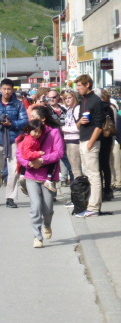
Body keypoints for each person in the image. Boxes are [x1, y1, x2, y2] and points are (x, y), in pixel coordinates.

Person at [17, 105, 65, 247]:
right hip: (32, 175)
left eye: (34, 116)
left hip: (48, 177)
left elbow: (59, 153)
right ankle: (37, 237)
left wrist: (42, 160)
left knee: (48, 208)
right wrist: (29, 164)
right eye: (30, 117)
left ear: (43, 119)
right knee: (36, 206)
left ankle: (47, 225)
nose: (31, 119)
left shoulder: (54, 133)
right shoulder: (28, 133)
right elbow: (20, 153)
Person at [0, 78, 29, 208]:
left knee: (14, 171)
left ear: (12, 90)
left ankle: (10, 198)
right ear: (0, 89)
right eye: (4, 89)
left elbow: (24, 121)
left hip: (13, 141)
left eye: (9, 89)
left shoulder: (19, 104)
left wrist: (12, 124)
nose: (7, 91)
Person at [75, 74, 104, 217]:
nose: (78, 88)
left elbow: (100, 125)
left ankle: (94, 207)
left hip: (90, 142)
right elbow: (78, 123)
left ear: (87, 85)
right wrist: (81, 122)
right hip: (83, 139)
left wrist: (90, 144)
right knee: (88, 173)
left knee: (94, 174)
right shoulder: (83, 100)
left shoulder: (96, 101)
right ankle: (90, 204)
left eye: (80, 85)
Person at [17, 120, 56, 192]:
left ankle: (23, 178)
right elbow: (26, 154)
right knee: (51, 162)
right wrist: (38, 154)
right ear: (29, 130)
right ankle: (48, 180)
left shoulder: (33, 139)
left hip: (31, 158)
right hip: (30, 158)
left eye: (39, 132)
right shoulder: (30, 140)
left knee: (51, 161)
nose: (37, 134)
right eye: (35, 131)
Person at [46, 89, 73, 186]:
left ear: (58, 98)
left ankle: (74, 190)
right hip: (51, 141)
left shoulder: (64, 110)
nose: (52, 99)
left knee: (70, 164)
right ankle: (51, 193)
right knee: (51, 166)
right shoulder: (46, 110)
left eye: (54, 97)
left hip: (64, 140)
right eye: (50, 97)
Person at [96, 88, 115, 202]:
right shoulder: (109, 107)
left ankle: (100, 191)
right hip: (107, 138)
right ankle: (107, 190)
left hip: (97, 138)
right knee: (105, 165)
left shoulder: (96, 108)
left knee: (97, 166)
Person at [61, 90, 82, 186]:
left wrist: (64, 129)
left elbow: (79, 127)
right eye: (65, 98)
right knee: (74, 168)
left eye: (70, 97)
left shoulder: (77, 109)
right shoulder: (69, 109)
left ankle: (80, 193)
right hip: (68, 140)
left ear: (74, 97)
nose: (67, 100)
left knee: (77, 169)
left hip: (75, 141)